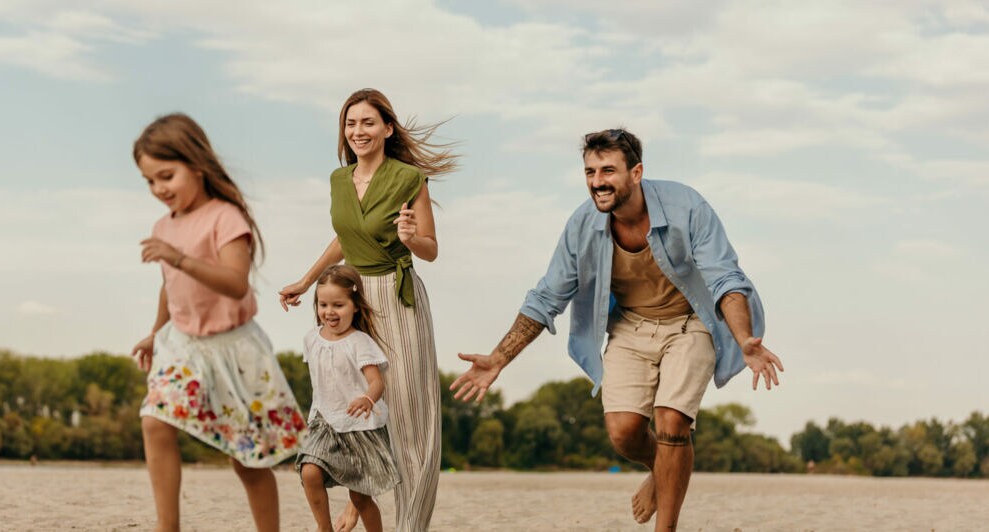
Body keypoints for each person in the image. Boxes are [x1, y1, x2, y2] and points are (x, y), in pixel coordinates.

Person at [450, 128, 785, 532]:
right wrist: (498, 358)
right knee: (624, 432)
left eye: (608, 170)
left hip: (691, 322)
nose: (597, 181)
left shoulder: (687, 207)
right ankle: (663, 469)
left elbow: (725, 279)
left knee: (671, 420)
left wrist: (744, 339)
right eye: (590, 172)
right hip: (630, 325)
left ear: (636, 172)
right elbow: (546, 297)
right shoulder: (582, 226)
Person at [279, 88, 456, 532]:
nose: (358, 131)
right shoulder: (339, 180)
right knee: (352, 402)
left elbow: (431, 249)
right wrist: (306, 280)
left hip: (397, 298)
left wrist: (411, 238)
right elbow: (345, 238)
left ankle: (410, 526)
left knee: (410, 417)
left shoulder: (409, 178)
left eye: (368, 122)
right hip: (353, 299)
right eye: (351, 123)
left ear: (387, 129)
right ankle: (360, 497)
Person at [130, 113, 307, 532]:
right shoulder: (162, 226)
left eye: (166, 176)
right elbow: (170, 286)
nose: (159, 189)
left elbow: (235, 283)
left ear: (197, 165)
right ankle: (167, 527)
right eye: (150, 181)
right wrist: (155, 333)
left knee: (247, 460)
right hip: (184, 346)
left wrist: (179, 258)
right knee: (154, 420)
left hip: (235, 349)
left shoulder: (225, 217)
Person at [296, 264, 401, 532]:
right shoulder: (311, 339)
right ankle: (324, 528)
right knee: (309, 471)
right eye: (323, 305)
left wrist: (368, 399)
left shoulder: (360, 342)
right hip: (325, 421)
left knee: (360, 497)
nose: (329, 312)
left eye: (338, 305)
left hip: (360, 426)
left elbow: (377, 382)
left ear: (355, 306)